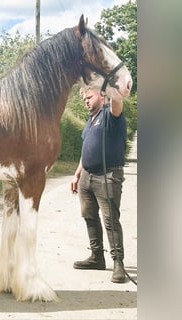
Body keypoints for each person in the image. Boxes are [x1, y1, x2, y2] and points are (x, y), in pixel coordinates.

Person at [70, 87, 127, 283]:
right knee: (89, 216)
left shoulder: (111, 115)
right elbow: (86, 150)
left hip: (108, 175)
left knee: (110, 220)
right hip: (87, 176)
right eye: (84, 98)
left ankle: (118, 263)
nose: (86, 100)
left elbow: (117, 101)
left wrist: (112, 87)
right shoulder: (90, 120)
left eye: (89, 96)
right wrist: (77, 175)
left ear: (101, 95)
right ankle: (97, 257)